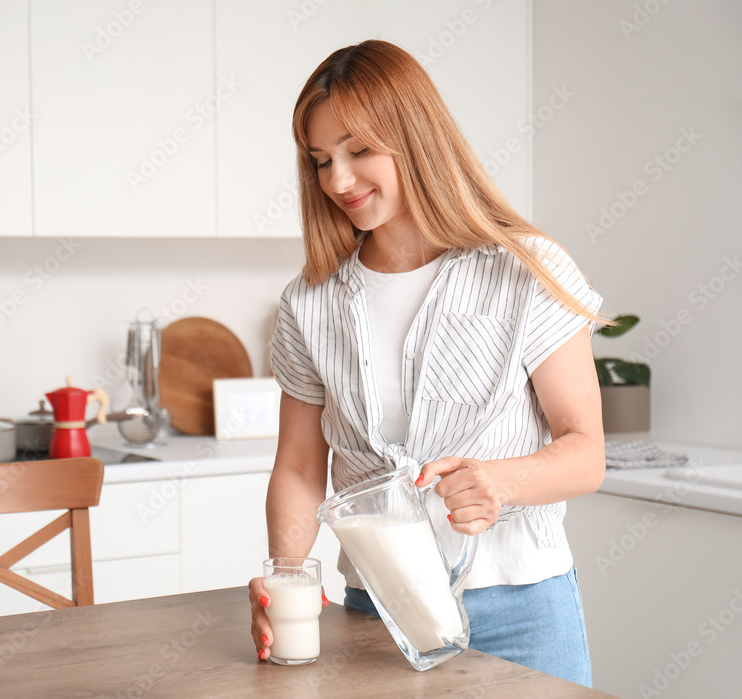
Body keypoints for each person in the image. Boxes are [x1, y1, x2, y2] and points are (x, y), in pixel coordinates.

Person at [248, 40, 607, 687]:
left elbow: (585, 451)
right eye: (321, 159)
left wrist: (502, 481)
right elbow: (300, 468)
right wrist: (285, 575)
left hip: (520, 606)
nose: (338, 180)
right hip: (375, 611)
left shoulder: (524, 269)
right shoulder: (309, 303)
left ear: (415, 136)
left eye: (359, 150)